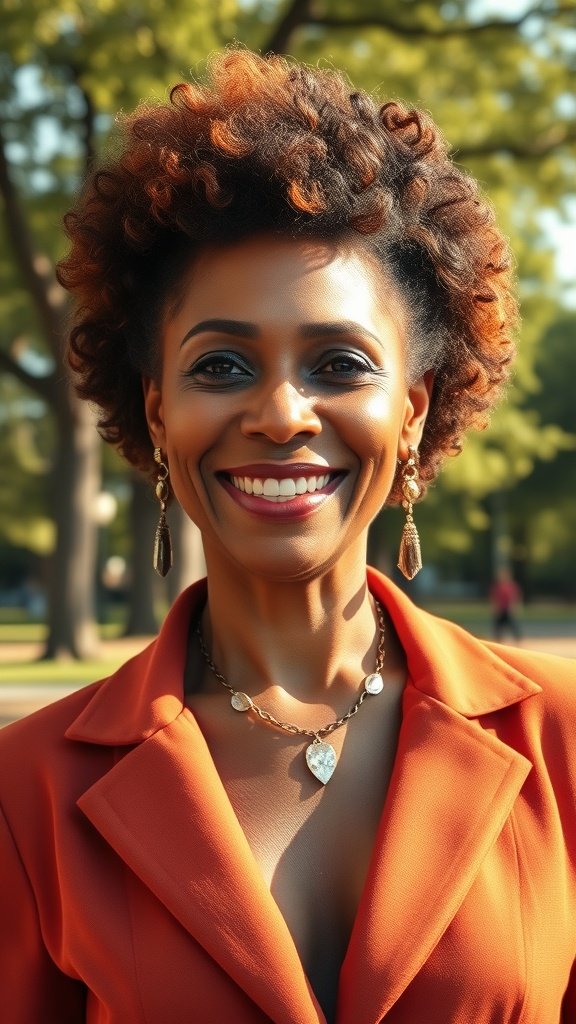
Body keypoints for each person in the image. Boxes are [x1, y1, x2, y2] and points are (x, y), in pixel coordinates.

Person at [0, 48, 574, 1024]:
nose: (280, 412)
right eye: (220, 364)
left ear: (411, 410)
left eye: (339, 362)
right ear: (157, 410)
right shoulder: (26, 793)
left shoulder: (562, 738)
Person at [490, 566, 523, 642]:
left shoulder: (511, 585)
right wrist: (494, 607)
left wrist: (515, 607)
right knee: (498, 626)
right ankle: (497, 639)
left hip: (508, 609)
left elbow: (515, 597)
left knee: (513, 625)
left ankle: (518, 639)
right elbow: (494, 597)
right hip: (500, 609)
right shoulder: (497, 586)